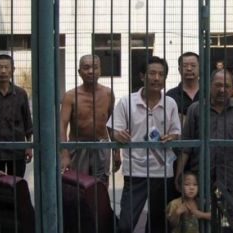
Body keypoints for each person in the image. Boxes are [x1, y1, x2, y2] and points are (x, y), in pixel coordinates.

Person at [107, 56, 181, 233]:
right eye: (152, 73)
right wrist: (118, 135)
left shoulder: (170, 103)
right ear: (142, 76)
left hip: (163, 171)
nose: (157, 78)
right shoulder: (126, 102)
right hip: (135, 170)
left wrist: (172, 136)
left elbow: (177, 133)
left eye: (161, 74)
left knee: (157, 225)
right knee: (126, 224)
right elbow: (113, 130)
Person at [175, 69, 233, 203]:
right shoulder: (196, 109)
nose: (222, 89)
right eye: (218, 85)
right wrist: (179, 175)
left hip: (232, 179)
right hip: (201, 178)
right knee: (202, 219)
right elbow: (186, 145)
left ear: (232, 89)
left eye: (227, 86)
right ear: (209, 85)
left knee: (231, 221)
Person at [60, 54, 118, 186]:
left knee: (101, 187)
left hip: (102, 145)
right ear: (79, 72)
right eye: (86, 68)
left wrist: (117, 151)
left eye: (95, 67)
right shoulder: (70, 96)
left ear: (100, 70)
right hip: (78, 146)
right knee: (78, 186)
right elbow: (62, 125)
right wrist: (64, 154)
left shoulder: (108, 93)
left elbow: (112, 123)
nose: (91, 71)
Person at [0, 54, 33, 177]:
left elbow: (27, 121)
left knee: (16, 185)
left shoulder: (20, 94)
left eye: (6, 67)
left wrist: (28, 145)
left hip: (17, 149)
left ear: (12, 70)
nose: (3, 71)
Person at [166, 52, 200, 125]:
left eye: (193, 65)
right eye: (185, 66)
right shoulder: (170, 95)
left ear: (200, 68)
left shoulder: (209, 93)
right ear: (179, 69)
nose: (189, 69)